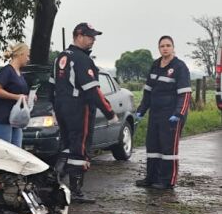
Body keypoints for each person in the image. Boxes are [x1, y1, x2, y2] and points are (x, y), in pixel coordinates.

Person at [52, 23, 118, 203]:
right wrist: (109, 113)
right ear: (78, 36)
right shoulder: (82, 59)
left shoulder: (60, 57)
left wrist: (55, 108)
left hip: (61, 107)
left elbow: (52, 86)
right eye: (90, 36)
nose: (93, 40)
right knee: (79, 148)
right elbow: (93, 91)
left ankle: (54, 181)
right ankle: (76, 191)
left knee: (66, 145)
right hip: (78, 108)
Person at [134, 36, 191, 189]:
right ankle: (151, 178)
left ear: (173, 47)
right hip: (155, 113)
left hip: (171, 114)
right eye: (162, 46)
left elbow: (185, 94)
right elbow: (148, 91)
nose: (165, 48)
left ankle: (167, 181)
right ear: (159, 48)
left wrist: (179, 113)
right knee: (152, 145)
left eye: (168, 45)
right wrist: (141, 111)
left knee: (168, 148)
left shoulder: (180, 67)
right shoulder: (155, 65)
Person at [0, 42, 30, 146]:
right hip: (3, 117)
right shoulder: (7, 71)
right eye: (27, 55)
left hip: (16, 119)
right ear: (21, 54)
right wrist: (16, 97)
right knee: (6, 149)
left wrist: (29, 97)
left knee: (17, 149)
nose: (28, 59)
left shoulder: (20, 74)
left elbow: (19, 92)